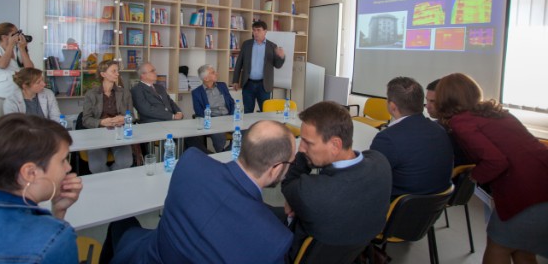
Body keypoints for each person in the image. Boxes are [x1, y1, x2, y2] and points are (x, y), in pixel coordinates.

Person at [104, 120, 296, 264]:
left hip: (149, 255)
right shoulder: (274, 240)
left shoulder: (191, 162)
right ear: (276, 168)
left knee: (119, 223)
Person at [435, 73, 548, 263]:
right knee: (521, 247)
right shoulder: (498, 113)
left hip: (525, 192)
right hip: (540, 183)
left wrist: (473, 176)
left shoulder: (461, 121)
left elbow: (496, 161)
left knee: (499, 246)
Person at [0, 113, 83, 263]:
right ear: (30, 173)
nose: (68, 167)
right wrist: (58, 224)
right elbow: (47, 244)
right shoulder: (57, 239)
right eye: (63, 160)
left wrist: (58, 211)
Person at [281, 101, 392, 262]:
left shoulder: (311, 193)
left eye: (308, 142)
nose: (301, 148)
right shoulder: (381, 163)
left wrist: (304, 161)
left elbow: (289, 182)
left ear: (335, 145)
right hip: (354, 251)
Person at [370, 76, 453, 199]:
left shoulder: (387, 138)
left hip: (399, 205)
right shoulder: (439, 130)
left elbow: (370, 178)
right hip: (436, 203)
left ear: (392, 106)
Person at [82, 60, 134, 173]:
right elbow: (86, 120)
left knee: (126, 162)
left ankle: (110, 179)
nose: (117, 74)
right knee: (95, 166)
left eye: (117, 71)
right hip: (98, 135)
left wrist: (124, 118)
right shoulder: (91, 94)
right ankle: (110, 179)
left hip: (119, 133)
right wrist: (101, 122)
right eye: (113, 71)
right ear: (103, 74)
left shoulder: (125, 93)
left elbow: (132, 116)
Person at [232, 20, 285, 113]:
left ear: (265, 31)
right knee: (248, 111)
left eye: (258, 30)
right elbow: (239, 63)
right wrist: (235, 80)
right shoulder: (246, 44)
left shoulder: (272, 46)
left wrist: (281, 57)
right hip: (248, 84)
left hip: (264, 85)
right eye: (254, 30)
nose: (256, 33)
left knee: (265, 111)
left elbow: (277, 65)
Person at [0, 22, 34, 119]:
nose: (19, 35)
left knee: (20, 124)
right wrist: (10, 46)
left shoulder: (18, 50)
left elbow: (30, 70)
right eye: (16, 33)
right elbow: (2, 64)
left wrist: (22, 49)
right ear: (4, 37)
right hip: (0, 96)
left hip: (19, 95)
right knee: (4, 125)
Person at [426, 78, 470, 167]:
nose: (427, 106)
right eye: (427, 100)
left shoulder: (456, 129)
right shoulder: (437, 125)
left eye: (433, 101)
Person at [191, 64, 235, 152]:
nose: (216, 73)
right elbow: (199, 112)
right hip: (213, 121)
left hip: (228, 118)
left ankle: (227, 152)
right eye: (213, 72)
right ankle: (221, 153)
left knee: (245, 132)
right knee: (219, 134)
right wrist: (212, 122)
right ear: (206, 78)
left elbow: (231, 102)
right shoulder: (196, 92)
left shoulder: (222, 85)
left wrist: (232, 116)